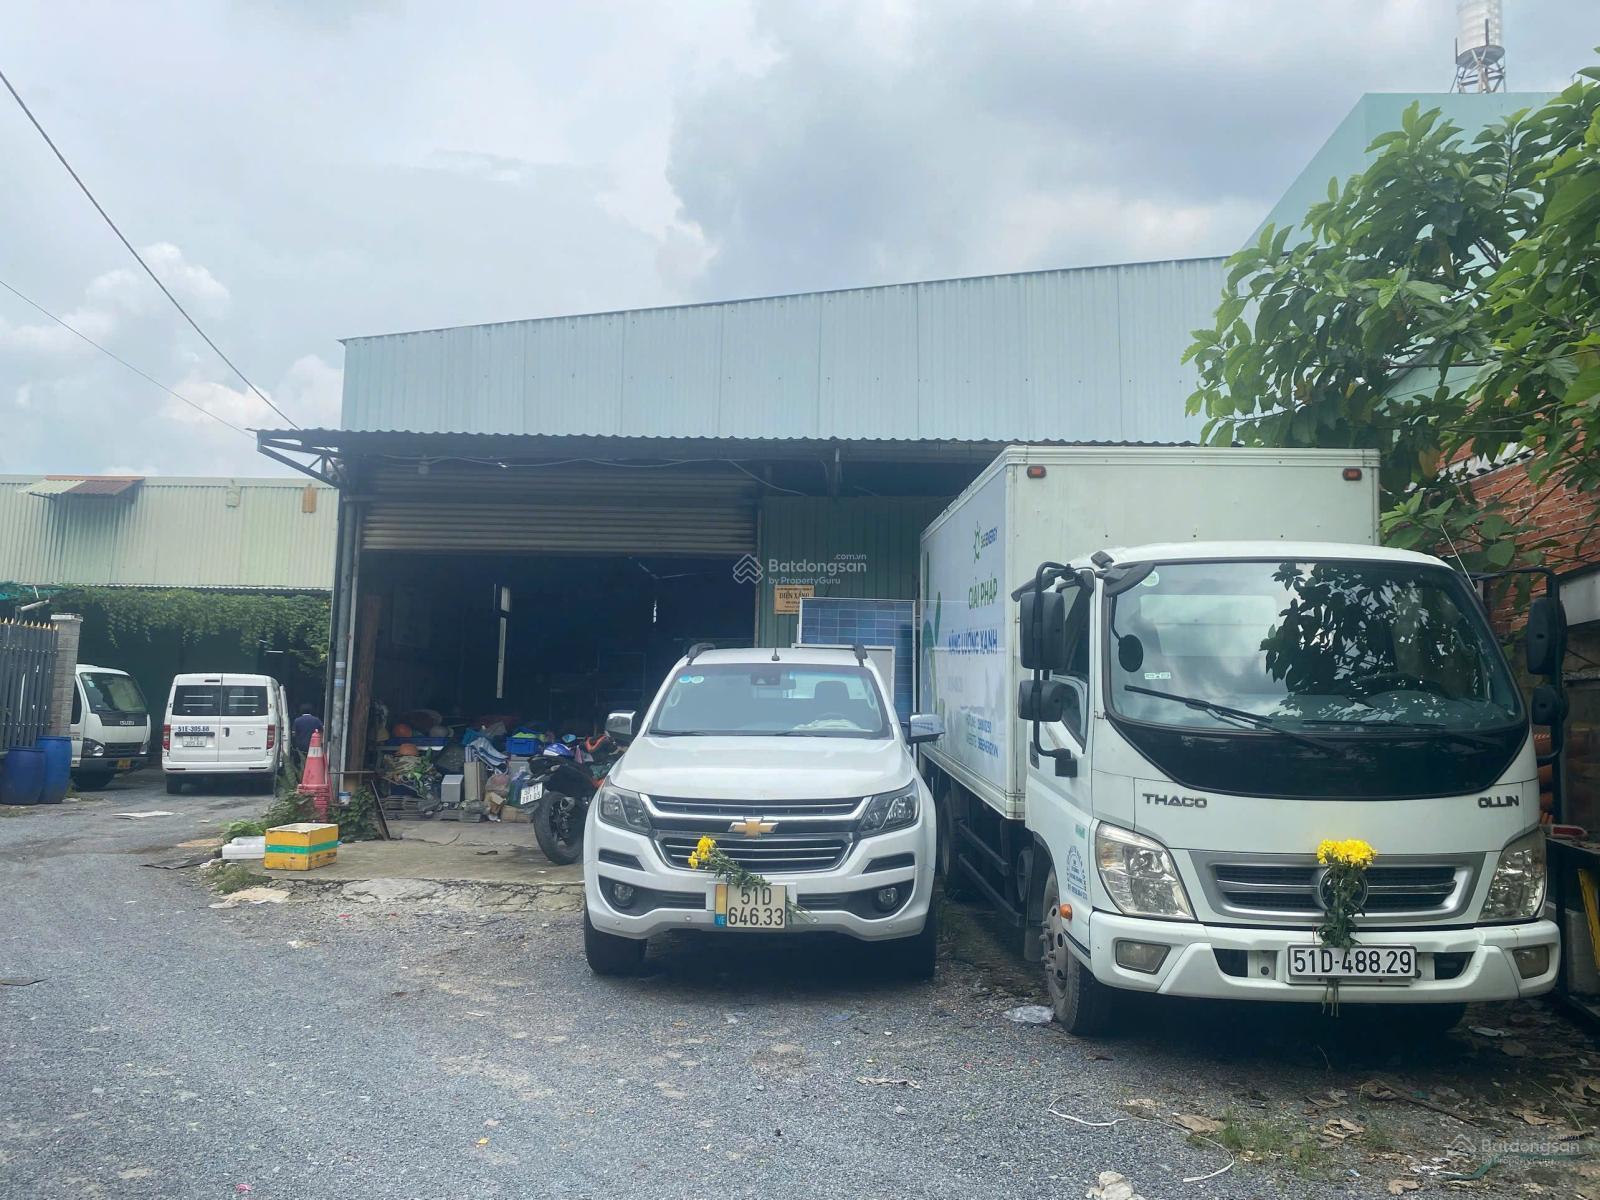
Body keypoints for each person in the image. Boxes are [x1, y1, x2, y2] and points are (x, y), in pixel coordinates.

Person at [291, 704, 322, 769]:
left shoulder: (297, 721)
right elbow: (321, 731)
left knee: (301, 763)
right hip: (313, 747)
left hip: (300, 747)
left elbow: (294, 734)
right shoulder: (316, 720)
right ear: (311, 711)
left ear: (301, 711)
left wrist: (294, 745)